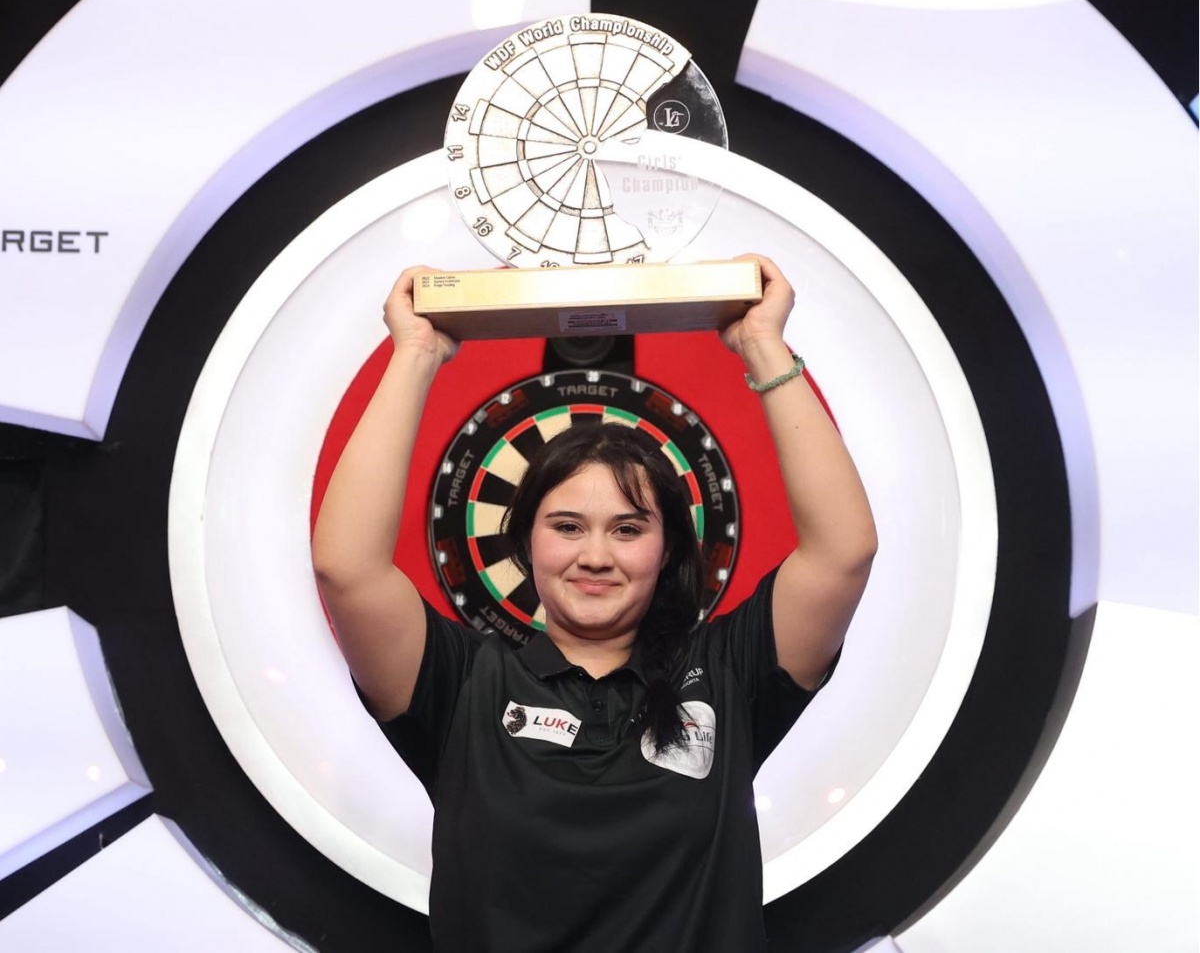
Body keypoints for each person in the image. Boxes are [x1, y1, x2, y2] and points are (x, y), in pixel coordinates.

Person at [311, 254, 877, 952]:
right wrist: (415, 355)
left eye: (628, 529)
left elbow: (843, 553)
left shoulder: (728, 672)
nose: (596, 555)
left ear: (668, 549)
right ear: (526, 542)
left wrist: (762, 343)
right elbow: (346, 569)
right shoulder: (461, 686)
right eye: (568, 526)